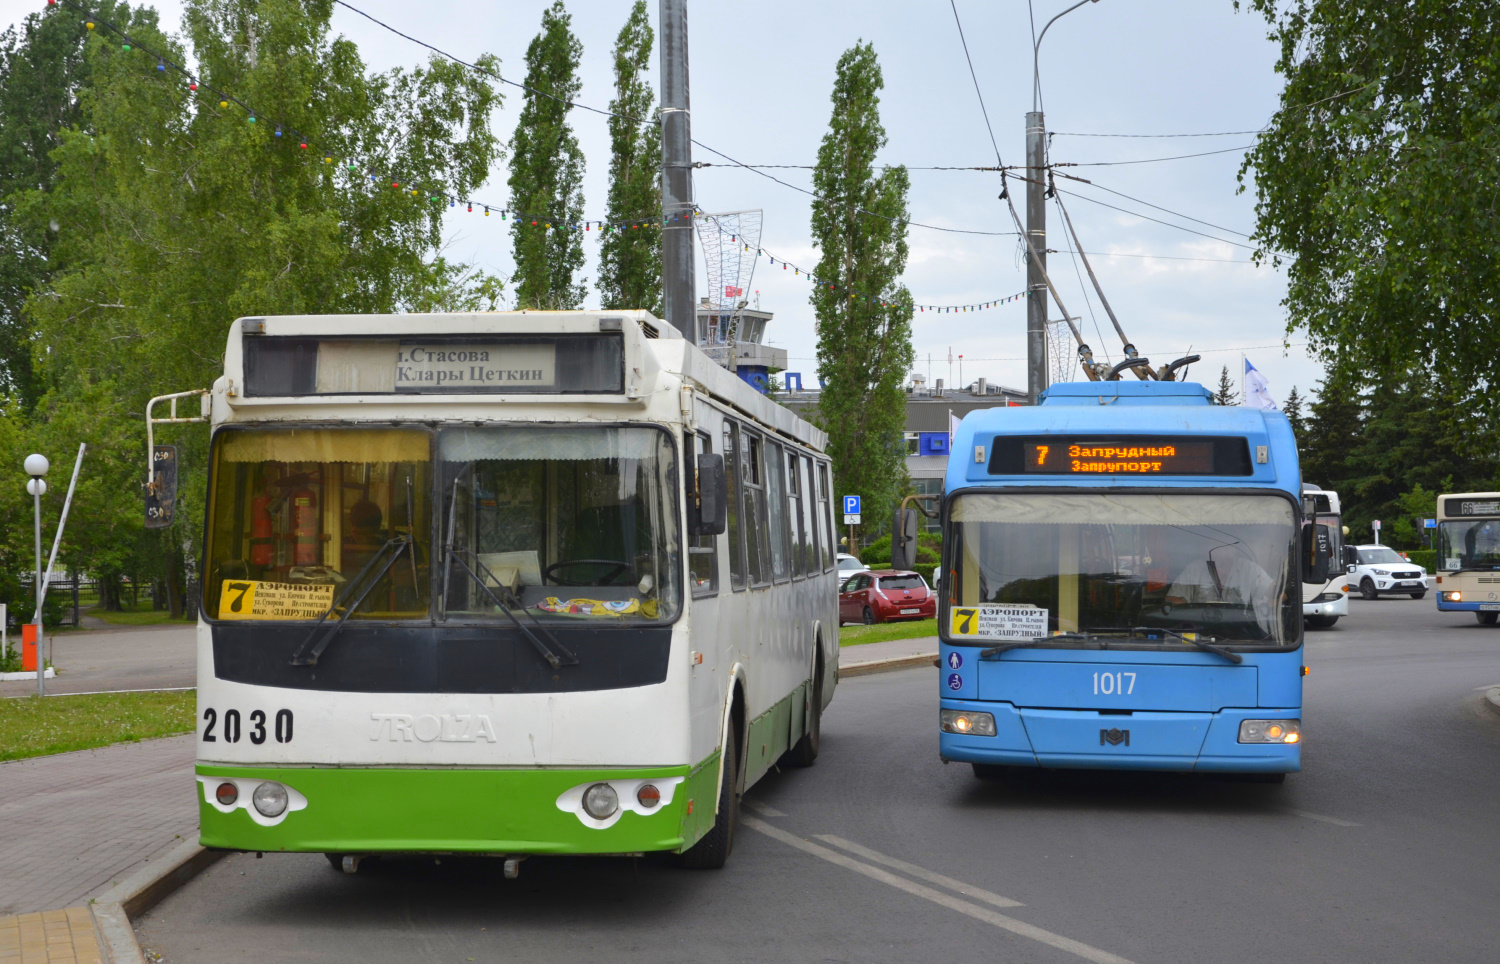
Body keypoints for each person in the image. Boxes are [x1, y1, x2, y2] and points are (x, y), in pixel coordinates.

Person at [1165, 545, 1276, 637]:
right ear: (1208, 547)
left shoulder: (1249, 568)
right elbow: (1172, 600)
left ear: (1234, 548)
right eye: (1217, 545)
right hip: (1202, 639)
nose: (1222, 551)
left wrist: (1278, 592)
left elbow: (1277, 594)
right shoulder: (1194, 569)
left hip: (1241, 638)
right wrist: (1191, 617)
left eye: (1226, 546)